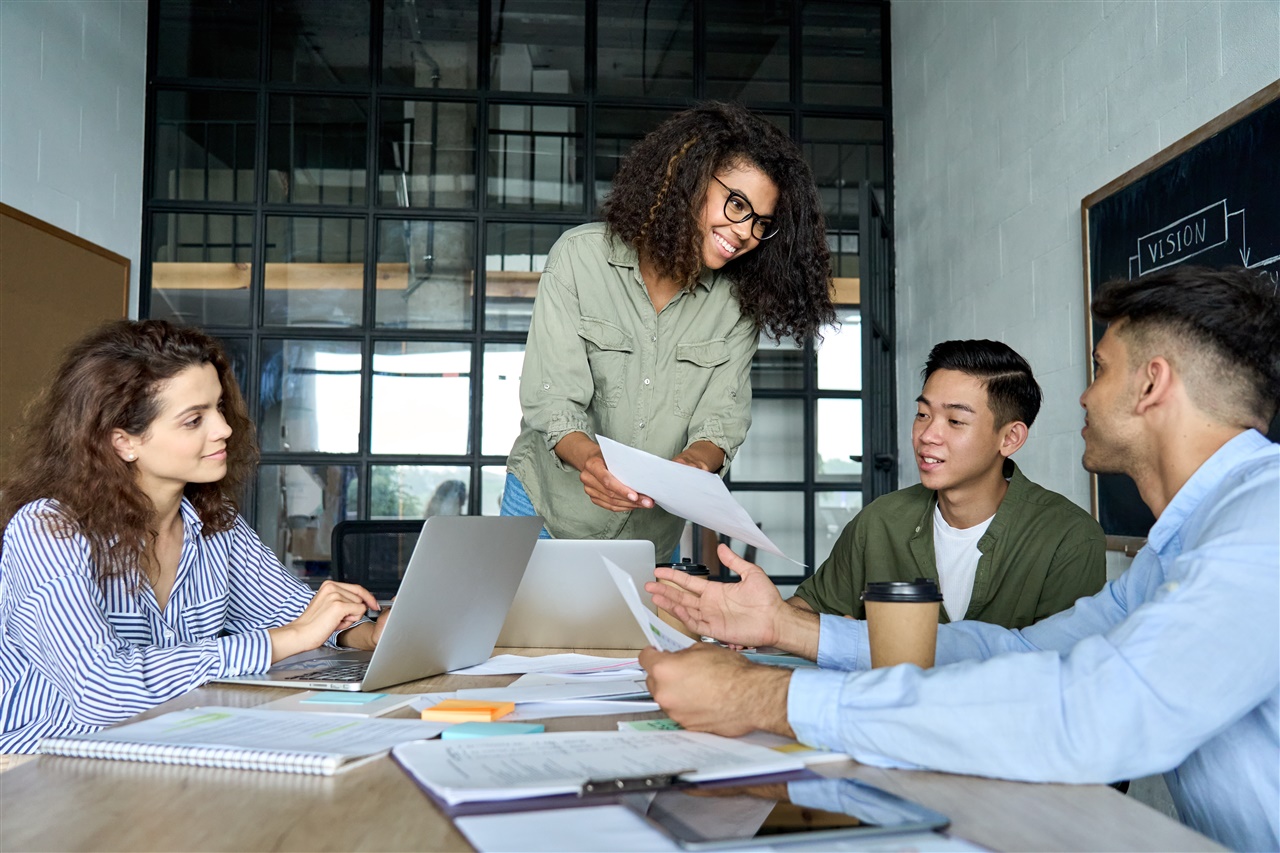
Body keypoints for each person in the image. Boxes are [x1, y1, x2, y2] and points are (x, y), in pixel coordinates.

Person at [641, 266, 1280, 852]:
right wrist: (785, 628)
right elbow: (1020, 653)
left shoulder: (1262, 525)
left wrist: (767, 698)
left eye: (1100, 368)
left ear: (1150, 383)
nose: (1084, 397)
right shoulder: (1184, 544)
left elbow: (1088, 712)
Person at [0, 320, 389, 753]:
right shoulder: (47, 530)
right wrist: (289, 638)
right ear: (123, 442)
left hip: (166, 751)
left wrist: (367, 633)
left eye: (218, 407)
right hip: (37, 767)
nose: (223, 428)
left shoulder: (213, 521)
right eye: (193, 420)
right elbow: (101, 691)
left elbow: (294, 613)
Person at [502, 102, 835, 562]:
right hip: (546, 511)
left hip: (649, 535)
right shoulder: (580, 259)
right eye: (737, 204)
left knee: (636, 638)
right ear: (688, 178)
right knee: (527, 636)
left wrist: (695, 464)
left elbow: (721, 420)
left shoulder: (737, 305)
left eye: (761, 223)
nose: (744, 233)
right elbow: (552, 398)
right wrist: (593, 464)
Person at [793, 339, 1104, 628]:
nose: (927, 435)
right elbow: (809, 608)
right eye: (923, 414)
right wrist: (762, 615)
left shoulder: (1068, 537)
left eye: (955, 421)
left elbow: (1060, 668)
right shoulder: (880, 521)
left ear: (1010, 438)